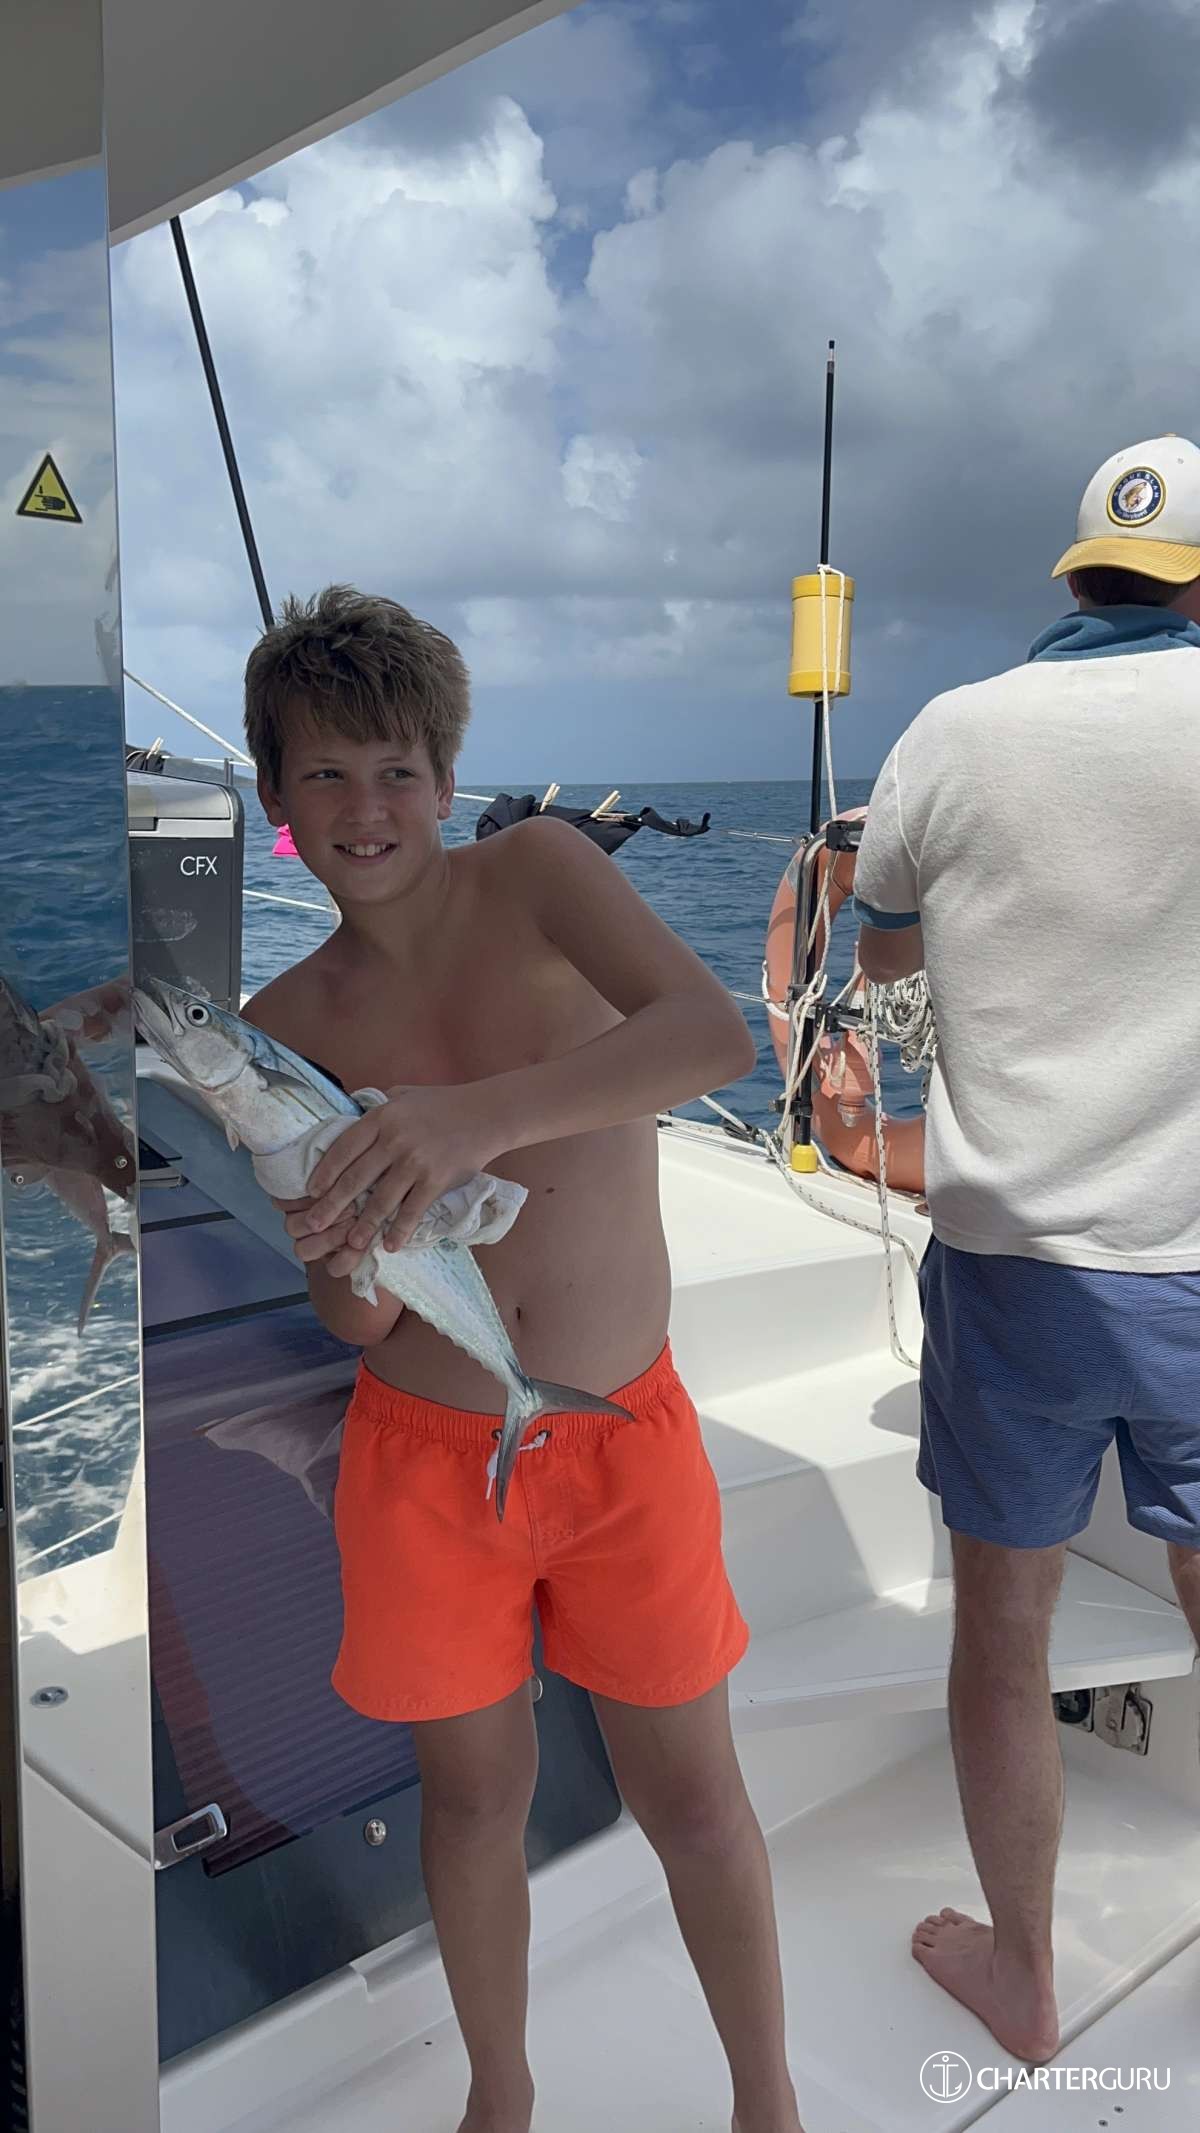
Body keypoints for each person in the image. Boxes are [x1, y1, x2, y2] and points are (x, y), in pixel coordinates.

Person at [238, 586, 805, 2133]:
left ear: (447, 775)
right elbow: (358, 1321)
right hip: (427, 1459)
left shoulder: (544, 871)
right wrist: (340, 1251)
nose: (367, 807)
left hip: (623, 1432)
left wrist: (468, 1121)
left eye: (398, 769)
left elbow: (711, 1038)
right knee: (472, 1797)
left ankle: (767, 2099)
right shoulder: (284, 1020)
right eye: (324, 773)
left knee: (693, 1793)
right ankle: (501, 2092)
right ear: (275, 797)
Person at [851, 435, 1200, 2064]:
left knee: (1004, 1641)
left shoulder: (951, 730)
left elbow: (884, 956)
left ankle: (1027, 1980)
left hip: (1015, 1273)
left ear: (1076, 572)